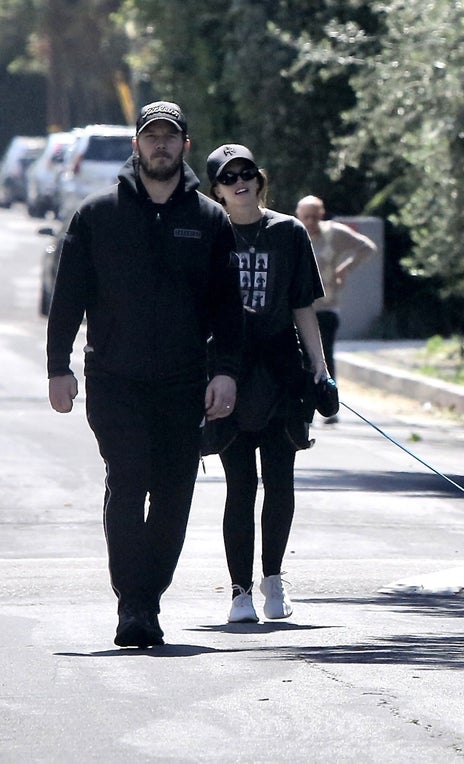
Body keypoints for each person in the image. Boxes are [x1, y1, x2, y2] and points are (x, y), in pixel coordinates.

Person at [46, 102, 244, 648]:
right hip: (114, 378)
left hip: (185, 380)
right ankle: (133, 603)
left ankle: (148, 595)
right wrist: (57, 367)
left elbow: (229, 308)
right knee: (129, 480)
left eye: (170, 137)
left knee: (176, 491)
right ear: (137, 145)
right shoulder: (96, 215)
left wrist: (225, 372)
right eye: (151, 136)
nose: (160, 145)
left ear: (184, 146)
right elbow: (67, 299)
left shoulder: (209, 220)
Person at [206, 143, 328, 624]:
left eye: (247, 173)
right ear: (216, 189)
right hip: (227, 372)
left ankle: (273, 581)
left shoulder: (289, 232)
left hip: (282, 372)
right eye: (228, 176)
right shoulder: (209, 234)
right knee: (239, 485)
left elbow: (302, 304)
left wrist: (320, 370)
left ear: (259, 178)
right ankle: (239, 593)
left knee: (280, 480)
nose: (240, 181)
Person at [295, 195, 377, 423]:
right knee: (300, 360)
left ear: (321, 214)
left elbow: (367, 247)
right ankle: (303, 408)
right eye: (306, 217)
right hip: (299, 308)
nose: (310, 221)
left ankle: (328, 406)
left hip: (326, 307)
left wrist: (346, 268)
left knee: (324, 357)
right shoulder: (292, 232)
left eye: (314, 216)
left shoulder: (333, 234)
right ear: (298, 215)